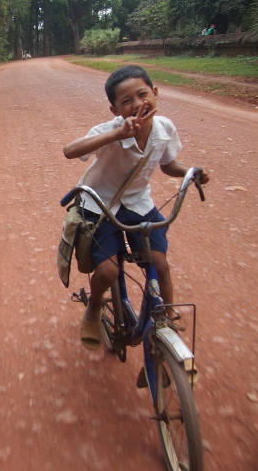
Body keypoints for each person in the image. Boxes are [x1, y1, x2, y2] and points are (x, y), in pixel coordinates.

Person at [63, 65, 210, 351]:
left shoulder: (164, 128)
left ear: (155, 93)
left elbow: (168, 165)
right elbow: (70, 151)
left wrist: (190, 172)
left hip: (138, 203)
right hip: (100, 206)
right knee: (106, 272)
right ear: (114, 109)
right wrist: (117, 134)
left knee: (159, 263)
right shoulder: (110, 130)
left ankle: (165, 317)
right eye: (126, 101)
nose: (137, 104)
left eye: (142, 94)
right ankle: (94, 307)